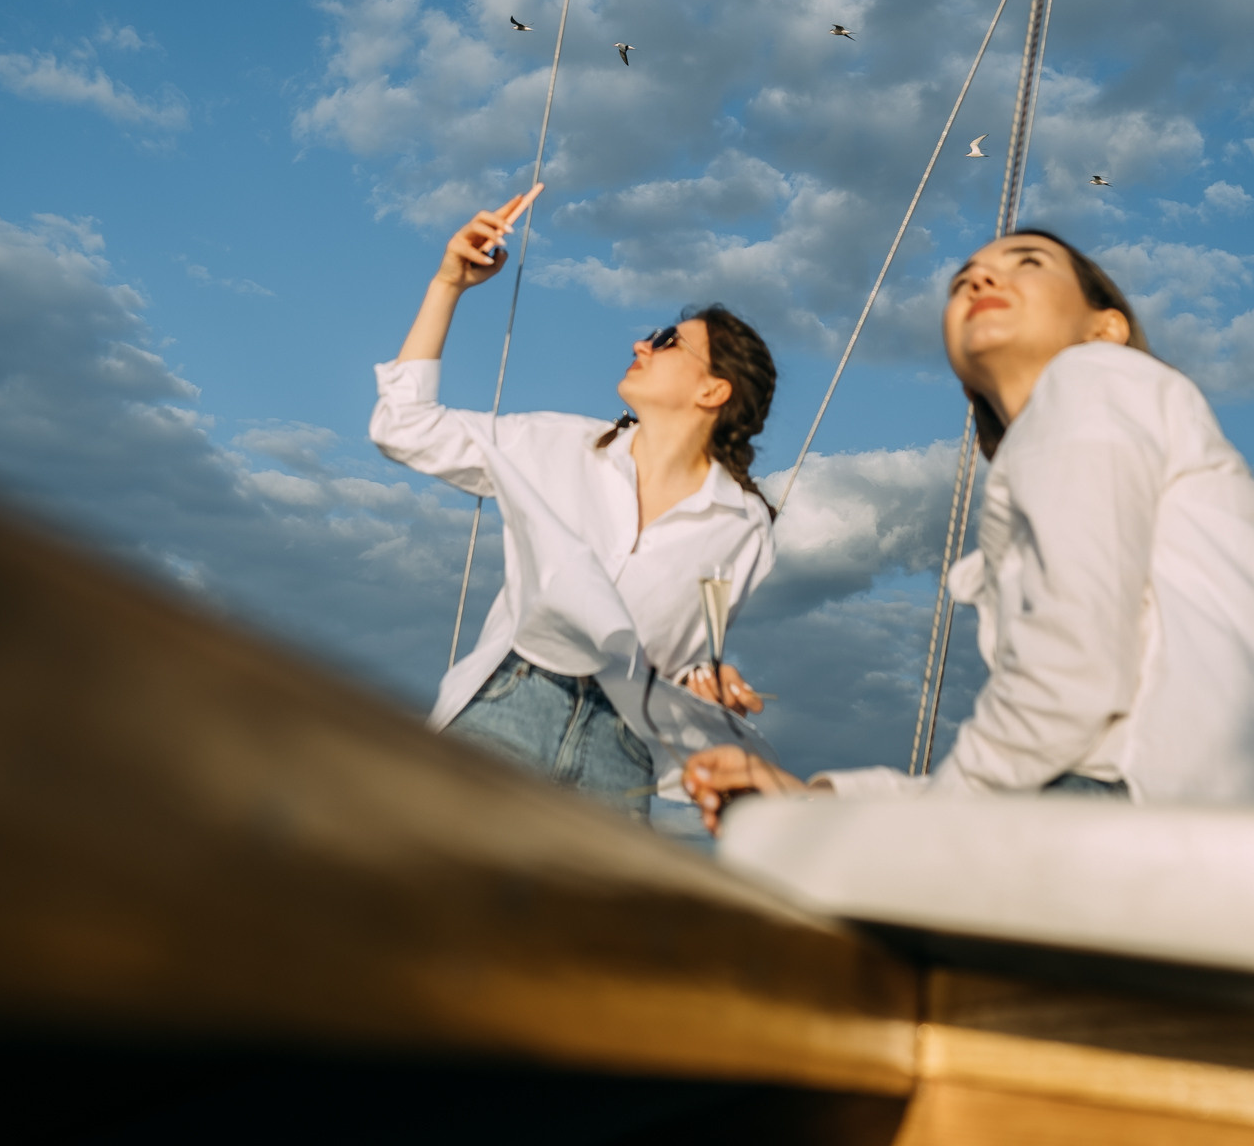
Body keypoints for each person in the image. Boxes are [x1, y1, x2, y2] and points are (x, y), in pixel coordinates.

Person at [684, 228, 1254, 830]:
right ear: (964, 380)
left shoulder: (1091, 375)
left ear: (1104, 328)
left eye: (1028, 262)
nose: (980, 279)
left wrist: (925, 819)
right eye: (961, 282)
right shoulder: (1095, 435)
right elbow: (1044, 728)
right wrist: (812, 799)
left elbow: (1073, 675)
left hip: (1115, 805)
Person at [370, 189, 779, 818]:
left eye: (668, 341)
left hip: (621, 752)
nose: (643, 344)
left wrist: (708, 683)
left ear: (713, 389)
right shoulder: (558, 446)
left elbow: (684, 656)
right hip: (511, 705)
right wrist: (448, 283)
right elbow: (403, 428)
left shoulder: (745, 529)